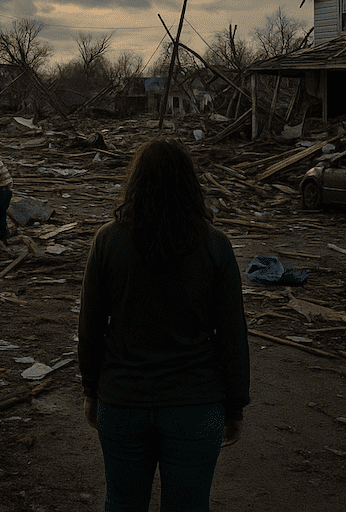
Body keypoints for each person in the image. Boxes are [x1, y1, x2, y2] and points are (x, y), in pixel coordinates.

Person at [78, 137, 250, 512]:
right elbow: (232, 334)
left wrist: (91, 389)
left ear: (135, 183)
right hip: (195, 405)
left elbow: (90, 326)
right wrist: (235, 404)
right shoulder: (215, 246)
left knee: (122, 503)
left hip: (123, 401)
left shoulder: (108, 241)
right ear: (189, 184)